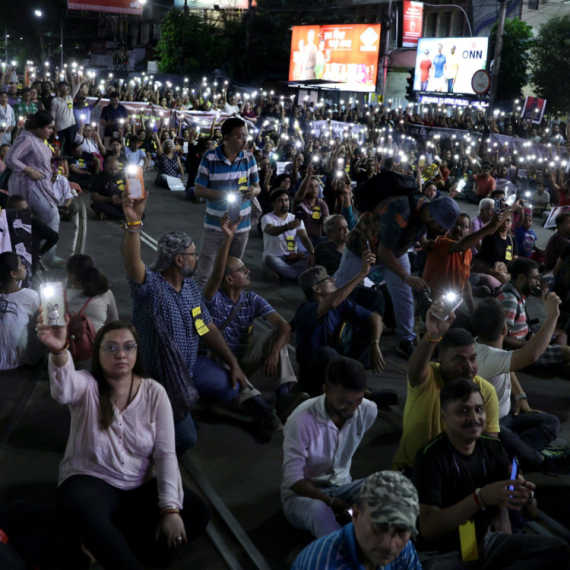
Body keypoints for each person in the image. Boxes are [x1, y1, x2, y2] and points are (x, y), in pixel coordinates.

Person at [36, 319, 210, 570]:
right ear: (99, 352)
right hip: (92, 478)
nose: (121, 354)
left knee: (195, 512)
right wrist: (58, 349)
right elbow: (63, 389)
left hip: (139, 483)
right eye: (111, 347)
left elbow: (165, 453)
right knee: (81, 507)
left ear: (137, 352)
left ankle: (103, 550)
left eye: (129, 347)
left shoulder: (154, 392)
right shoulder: (87, 384)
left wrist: (170, 509)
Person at [121, 189, 279, 450]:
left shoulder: (191, 288)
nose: (196, 259)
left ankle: (259, 411)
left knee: (234, 385)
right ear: (179, 259)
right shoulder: (151, 289)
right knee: (186, 438)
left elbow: (206, 327)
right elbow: (132, 263)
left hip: (194, 365)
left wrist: (233, 364)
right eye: (193, 254)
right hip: (163, 377)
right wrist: (133, 223)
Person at [413, 378, 570, 570]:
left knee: (558, 550)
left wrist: (527, 497)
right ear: (444, 416)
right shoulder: (430, 456)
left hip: (480, 541)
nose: (474, 418)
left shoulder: (493, 447)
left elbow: (531, 513)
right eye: (463, 411)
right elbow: (428, 529)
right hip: (444, 553)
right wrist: (481, 497)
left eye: (479, 409)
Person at [336, 173, 460, 358]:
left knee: (403, 295)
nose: (441, 231)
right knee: (342, 288)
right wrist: (408, 278)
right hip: (363, 249)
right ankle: (331, 323)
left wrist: (424, 244)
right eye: (440, 226)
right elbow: (384, 253)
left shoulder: (426, 208)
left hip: (396, 251)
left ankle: (406, 340)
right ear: (432, 215)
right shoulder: (400, 210)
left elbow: (417, 228)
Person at [203, 214, 309, 423]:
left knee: (275, 336)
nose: (248, 270)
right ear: (230, 279)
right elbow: (216, 275)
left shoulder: (253, 299)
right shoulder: (212, 298)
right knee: (216, 353)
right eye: (242, 270)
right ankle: (258, 406)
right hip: (220, 362)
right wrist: (227, 238)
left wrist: (273, 353)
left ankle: (283, 396)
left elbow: (284, 327)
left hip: (244, 359)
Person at [392, 302, 500, 473]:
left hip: (458, 471)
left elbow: (489, 445)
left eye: (472, 358)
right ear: (441, 361)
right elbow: (415, 371)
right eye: (459, 360)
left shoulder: (486, 390)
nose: (469, 367)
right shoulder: (429, 378)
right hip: (414, 470)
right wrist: (431, 336)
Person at [281, 357, 377, 538]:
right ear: (326, 390)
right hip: (303, 496)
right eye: (345, 401)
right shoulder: (300, 421)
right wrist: (331, 502)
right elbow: (292, 479)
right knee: (319, 511)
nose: (352, 408)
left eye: (358, 400)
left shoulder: (368, 410)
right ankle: (341, 556)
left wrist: (338, 501)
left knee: (385, 484)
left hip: (342, 487)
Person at [471, 297, 569, 472]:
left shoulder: (480, 344)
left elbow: (507, 366)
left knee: (551, 422)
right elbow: (532, 354)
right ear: (505, 329)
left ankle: (516, 453)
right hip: (492, 425)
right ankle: (539, 460)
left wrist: (520, 396)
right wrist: (552, 316)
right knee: (506, 437)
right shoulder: (487, 357)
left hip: (508, 416)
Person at [292, 471, 422, 570]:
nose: (390, 545)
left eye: (401, 530)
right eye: (380, 527)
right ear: (355, 514)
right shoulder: (321, 564)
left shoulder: (405, 550)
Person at [295, 255, 385, 396]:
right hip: (314, 373)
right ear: (317, 289)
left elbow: (375, 317)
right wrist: (362, 274)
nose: (333, 280)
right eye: (328, 278)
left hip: (338, 364)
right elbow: (332, 303)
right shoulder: (306, 309)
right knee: (326, 352)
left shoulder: (340, 304)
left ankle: (355, 385)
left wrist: (375, 343)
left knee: (369, 321)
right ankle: (362, 392)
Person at [194, 117, 260, 287]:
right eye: (239, 136)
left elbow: (257, 186)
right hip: (216, 226)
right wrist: (225, 194)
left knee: (232, 270)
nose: (244, 140)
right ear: (226, 138)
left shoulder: (249, 158)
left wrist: (254, 191)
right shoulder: (210, 158)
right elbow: (199, 190)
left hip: (241, 226)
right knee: (205, 272)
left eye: (246, 135)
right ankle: (199, 310)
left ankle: (223, 308)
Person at [5, 111, 65, 267]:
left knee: (38, 219)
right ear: (38, 128)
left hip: (40, 185)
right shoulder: (26, 139)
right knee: (50, 214)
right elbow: (10, 158)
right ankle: (44, 256)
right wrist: (29, 171)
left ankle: (36, 255)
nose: (52, 131)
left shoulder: (38, 139)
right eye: (49, 127)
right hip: (28, 186)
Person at [423, 212, 504, 318]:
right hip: (433, 304)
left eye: (462, 226)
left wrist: (472, 308)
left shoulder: (468, 252)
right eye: (454, 224)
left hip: (450, 303)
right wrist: (489, 227)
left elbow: (465, 282)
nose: (458, 228)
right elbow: (461, 245)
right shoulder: (441, 242)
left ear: (469, 230)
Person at [496, 258, 570, 365]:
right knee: (568, 352)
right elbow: (501, 338)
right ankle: (556, 362)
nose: (537, 283)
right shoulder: (510, 301)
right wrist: (530, 344)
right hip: (519, 350)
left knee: (561, 333)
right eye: (534, 279)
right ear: (521, 278)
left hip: (526, 335)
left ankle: (556, 360)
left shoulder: (515, 290)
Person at [0, 252, 44, 370]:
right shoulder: (31, 296)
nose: (24, 267)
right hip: (20, 359)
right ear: (13, 274)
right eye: (20, 265)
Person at [261, 188, 315, 281]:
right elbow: (271, 230)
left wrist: (312, 252)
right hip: (276, 258)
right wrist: (286, 227)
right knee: (269, 259)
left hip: (293, 258)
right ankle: (297, 276)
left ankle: (283, 274)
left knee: (311, 260)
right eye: (280, 201)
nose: (284, 203)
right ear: (273, 203)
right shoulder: (267, 218)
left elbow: (304, 236)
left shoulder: (294, 218)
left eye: (286, 200)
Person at [4, 194, 60, 275]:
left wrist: (40, 254)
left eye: (27, 209)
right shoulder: (3, 223)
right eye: (21, 210)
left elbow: (54, 237)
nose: (26, 213)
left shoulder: (34, 223)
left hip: (28, 271)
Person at [65, 254, 119, 332]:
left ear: (72, 277)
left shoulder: (61, 295)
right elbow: (114, 323)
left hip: (67, 342)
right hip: (97, 342)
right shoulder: (105, 293)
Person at [293, 169, 330, 245]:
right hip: (300, 239)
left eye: (316, 186)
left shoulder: (322, 203)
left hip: (317, 239)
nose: (314, 188)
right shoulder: (300, 200)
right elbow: (300, 193)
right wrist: (308, 176)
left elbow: (326, 222)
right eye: (310, 186)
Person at [90, 156, 127, 221]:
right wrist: (109, 199)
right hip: (106, 202)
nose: (114, 172)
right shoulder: (99, 177)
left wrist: (123, 198)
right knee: (96, 204)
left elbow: (131, 191)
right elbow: (93, 196)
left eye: (116, 169)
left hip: (121, 201)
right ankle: (124, 215)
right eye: (111, 170)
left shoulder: (123, 175)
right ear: (106, 166)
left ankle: (109, 215)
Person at [50, 80, 80, 154]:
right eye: (62, 87)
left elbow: (77, 86)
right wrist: (54, 130)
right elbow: (53, 117)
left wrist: (77, 76)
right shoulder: (55, 100)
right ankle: (57, 161)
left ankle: (69, 161)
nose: (65, 88)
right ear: (59, 89)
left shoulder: (70, 97)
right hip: (59, 128)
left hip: (70, 126)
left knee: (70, 145)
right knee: (58, 146)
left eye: (66, 87)